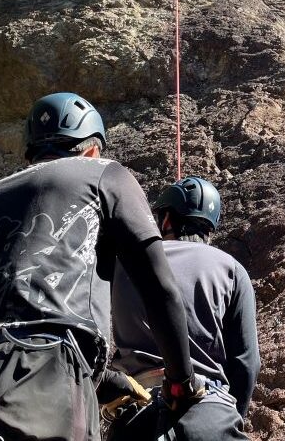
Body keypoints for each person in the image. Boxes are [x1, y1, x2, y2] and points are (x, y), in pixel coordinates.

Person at [0, 92, 205, 441]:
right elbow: (158, 287)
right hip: (33, 377)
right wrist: (181, 384)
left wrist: (103, 378)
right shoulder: (103, 174)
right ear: (91, 150)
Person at [107, 177, 260, 441]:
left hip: (135, 414)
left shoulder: (121, 264)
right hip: (208, 412)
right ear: (209, 229)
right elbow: (247, 363)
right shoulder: (232, 270)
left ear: (165, 221)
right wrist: (230, 417)